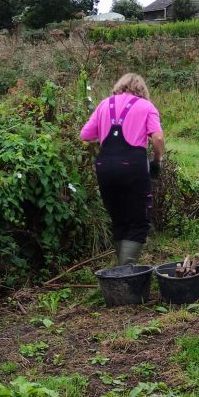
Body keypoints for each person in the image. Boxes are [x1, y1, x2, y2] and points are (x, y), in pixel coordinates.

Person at [80, 73, 164, 265]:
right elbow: (158, 138)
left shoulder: (104, 104)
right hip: (133, 167)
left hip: (104, 166)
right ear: (142, 90)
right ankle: (126, 270)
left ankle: (121, 271)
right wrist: (157, 160)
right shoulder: (146, 106)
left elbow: (85, 135)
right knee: (138, 219)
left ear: (120, 86)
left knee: (118, 217)